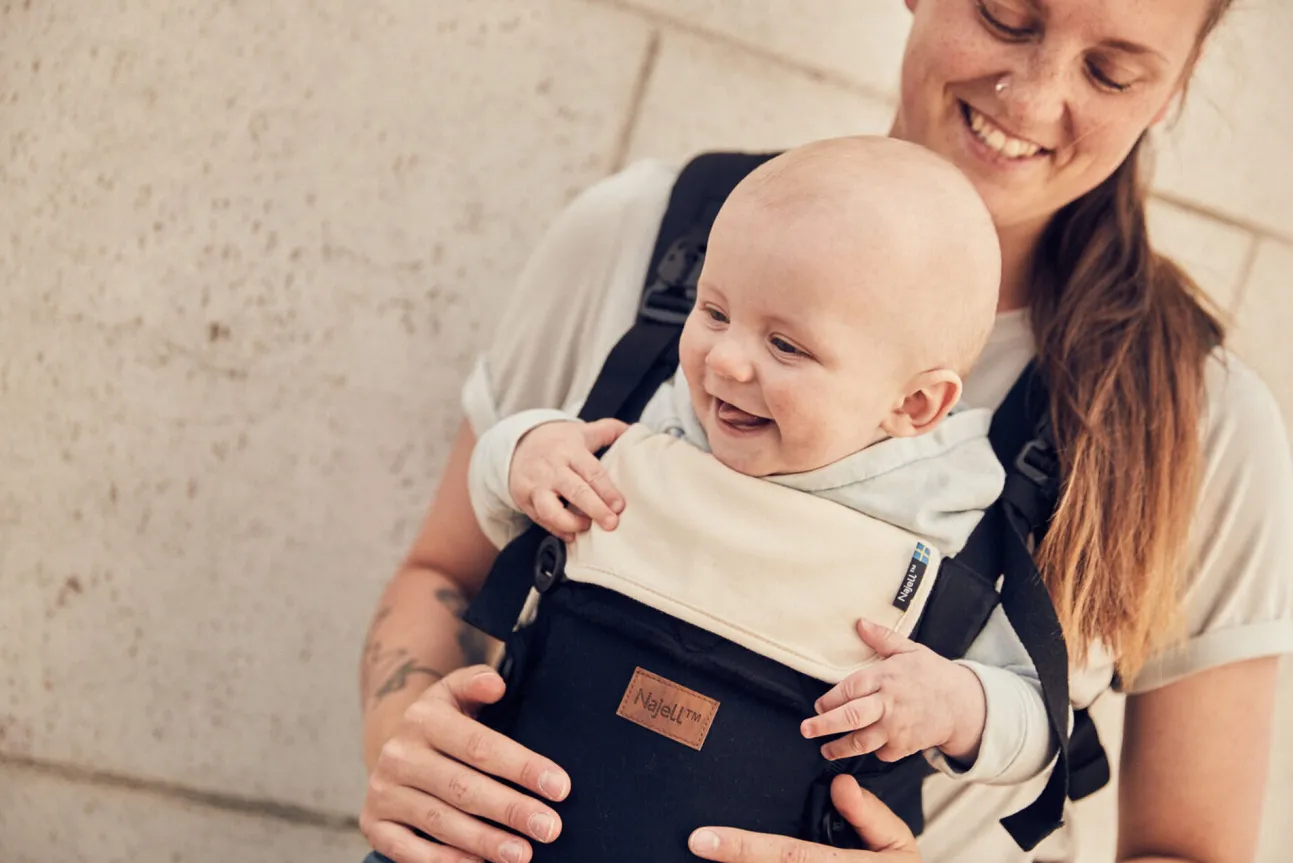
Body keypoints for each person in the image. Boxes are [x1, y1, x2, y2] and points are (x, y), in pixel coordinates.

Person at [357, 2, 1293, 862]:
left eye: (1112, 72)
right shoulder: (651, 233)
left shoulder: (1205, 425)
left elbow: (1191, 846)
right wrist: (413, 749)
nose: (1035, 96)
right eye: (1005, 16)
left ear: (1178, 79)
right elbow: (446, 570)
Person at [452, 136, 1058, 859]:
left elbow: (1037, 719)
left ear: (916, 404)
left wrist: (956, 704)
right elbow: (511, 528)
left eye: (786, 346)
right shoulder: (658, 420)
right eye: (713, 311)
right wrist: (525, 450)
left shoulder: (936, 527)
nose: (725, 359)